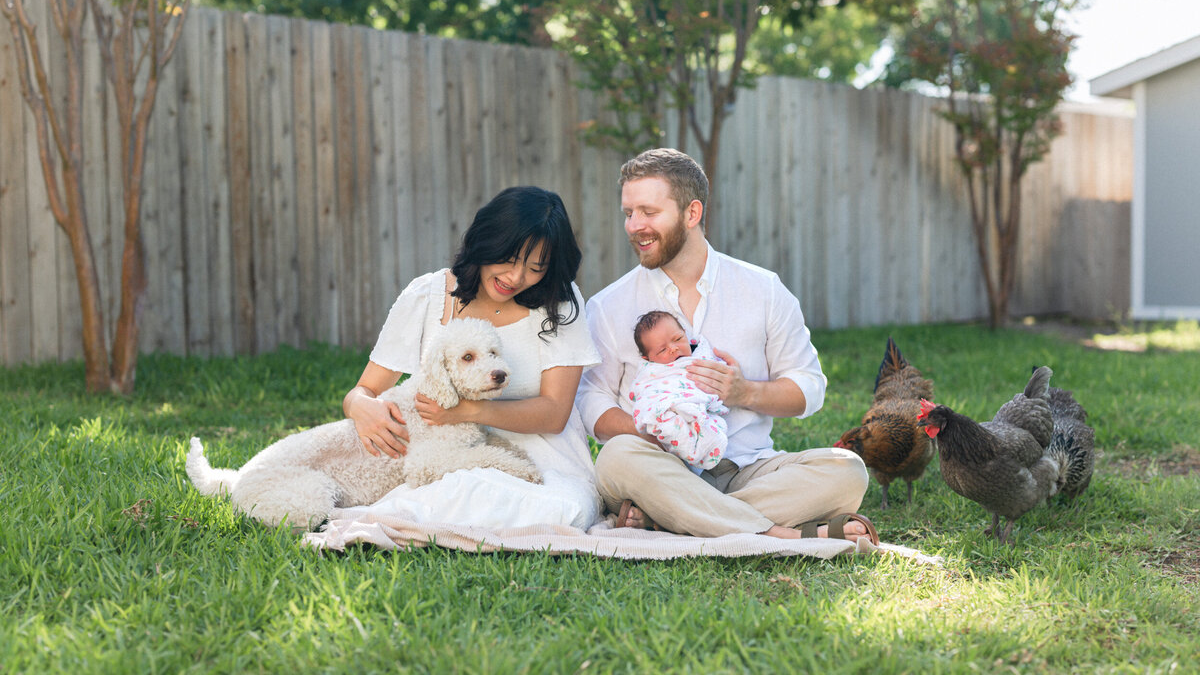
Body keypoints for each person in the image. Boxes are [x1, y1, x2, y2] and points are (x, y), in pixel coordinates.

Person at [575, 148, 875, 543]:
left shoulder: (762, 289)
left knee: (847, 471)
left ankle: (670, 520)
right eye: (628, 213)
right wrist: (651, 431)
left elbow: (810, 388)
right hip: (658, 468)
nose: (634, 226)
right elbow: (591, 399)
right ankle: (780, 532)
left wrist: (745, 391)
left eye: (648, 212)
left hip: (746, 471)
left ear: (692, 213)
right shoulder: (609, 305)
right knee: (616, 458)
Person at [342, 186, 601, 530]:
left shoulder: (559, 305)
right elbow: (364, 391)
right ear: (486, 241)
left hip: (542, 459)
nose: (516, 278)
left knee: (560, 511)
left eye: (535, 268)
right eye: (508, 260)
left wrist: (468, 411)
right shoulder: (428, 295)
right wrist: (360, 406)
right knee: (450, 494)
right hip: (448, 456)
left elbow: (554, 413)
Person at [630, 310, 729, 470]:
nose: (673, 348)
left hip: (699, 409)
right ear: (648, 359)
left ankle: (703, 448)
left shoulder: (702, 355)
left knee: (714, 430)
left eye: (678, 339)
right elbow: (645, 395)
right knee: (667, 423)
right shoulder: (651, 374)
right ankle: (690, 452)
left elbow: (721, 377)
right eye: (662, 350)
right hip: (669, 408)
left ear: (685, 334)